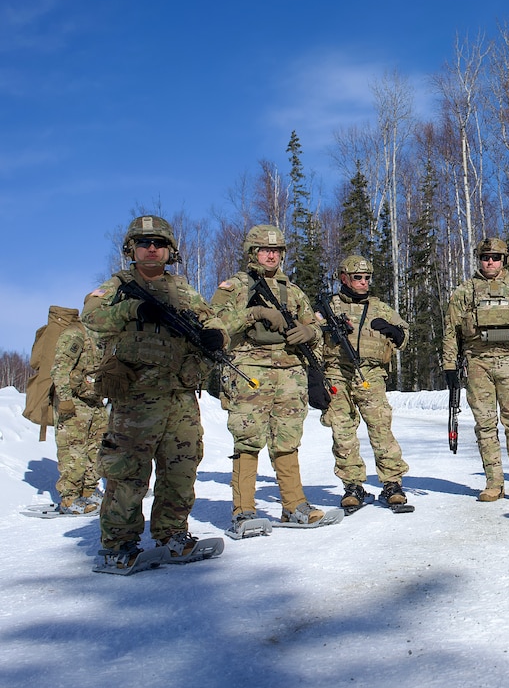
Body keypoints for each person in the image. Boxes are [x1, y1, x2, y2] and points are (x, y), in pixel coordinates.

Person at [83, 215, 228, 568]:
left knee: (181, 468)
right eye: (144, 243)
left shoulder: (182, 289)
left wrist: (217, 335)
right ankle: (120, 543)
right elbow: (91, 316)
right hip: (136, 394)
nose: (151, 249)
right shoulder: (117, 284)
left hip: (180, 394)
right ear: (131, 248)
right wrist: (135, 308)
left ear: (170, 251)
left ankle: (173, 534)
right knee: (128, 472)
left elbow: (213, 320)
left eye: (159, 244)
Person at [211, 224, 327, 534]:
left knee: (287, 440)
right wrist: (254, 314)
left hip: (290, 373)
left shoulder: (293, 290)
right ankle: (244, 511)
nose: (271, 255)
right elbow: (213, 325)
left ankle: (294, 506)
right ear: (252, 253)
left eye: (276, 250)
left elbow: (314, 326)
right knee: (248, 440)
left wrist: (310, 332)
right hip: (250, 372)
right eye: (264, 250)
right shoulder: (234, 287)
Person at [441, 238, 509, 502]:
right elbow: (451, 330)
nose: (490, 262)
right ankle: (494, 483)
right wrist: (449, 365)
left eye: (496, 257)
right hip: (477, 362)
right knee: (485, 424)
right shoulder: (466, 291)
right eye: (486, 257)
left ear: (504, 259)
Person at [318, 255, 411, 510]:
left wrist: (395, 332)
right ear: (344, 278)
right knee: (342, 431)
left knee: (381, 428)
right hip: (337, 372)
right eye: (357, 277)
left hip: (371, 375)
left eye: (367, 278)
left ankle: (392, 483)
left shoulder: (380, 308)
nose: (362, 282)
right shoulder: (329, 307)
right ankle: (353, 485)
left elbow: (405, 336)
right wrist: (314, 379)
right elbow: (312, 340)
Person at [50, 297, 108, 514]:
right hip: (74, 402)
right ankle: (69, 498)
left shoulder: (102, 336)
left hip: (94, 401)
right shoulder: (75, 333)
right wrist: (64, 399)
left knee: (96, 448)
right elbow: (60, 369)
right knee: (74, 451)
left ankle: (88, 492)